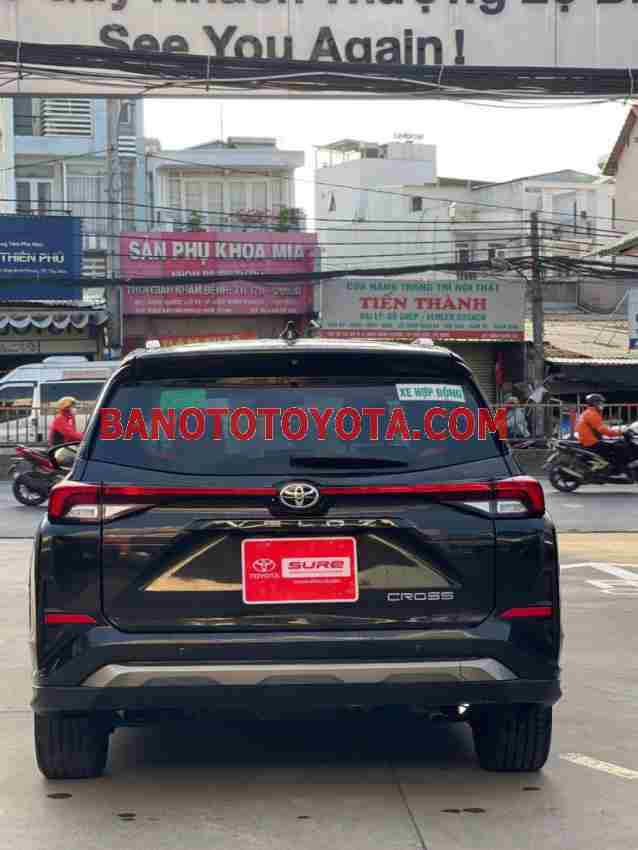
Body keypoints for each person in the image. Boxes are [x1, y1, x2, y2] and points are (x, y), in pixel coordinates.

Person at [576, 393, 625, 471]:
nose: (602, 405)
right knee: (618, 448)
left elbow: (599, 428)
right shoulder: (592, 414)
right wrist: (621, 432)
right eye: (600, 402)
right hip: (591, 442)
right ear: (594, 403)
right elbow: (604, 431)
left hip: (587, 441)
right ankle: (615, 470)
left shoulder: (587, 412)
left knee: (613, 445)